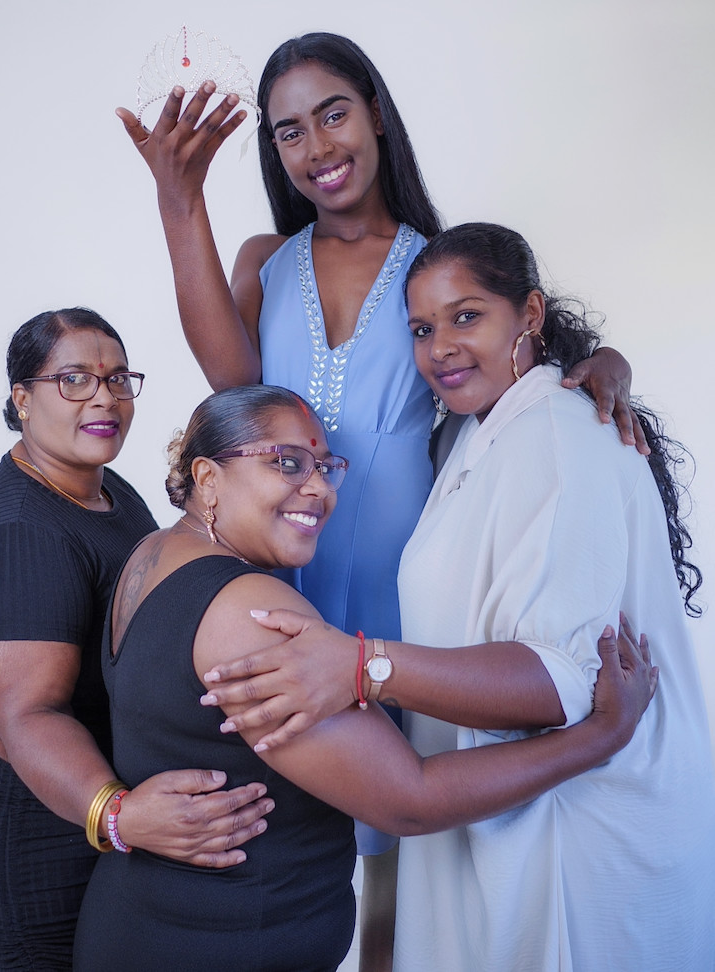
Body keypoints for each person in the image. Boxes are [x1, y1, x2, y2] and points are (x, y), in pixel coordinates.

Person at [117, 33, 647, 967]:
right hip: (283, 587)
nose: (317, 148)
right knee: (288, 825)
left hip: (406, 598)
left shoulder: (431, 261)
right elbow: (231, 381)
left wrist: (605, 363)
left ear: (374, 113)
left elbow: (515, 353)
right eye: (288, 133)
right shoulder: (263, 258)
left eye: (333, 114)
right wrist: (180, 200)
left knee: (409, 838)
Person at [199, 225, 715, 971]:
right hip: (494, 812)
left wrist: (361, 666)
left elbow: (563, 682)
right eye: (421, 328)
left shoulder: (561, 439)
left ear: (529, 315)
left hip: (581, 837)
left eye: (466, 316)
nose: (440, 346)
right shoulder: (472, 435)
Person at [71, 383, 655, 972]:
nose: (319, 488)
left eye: (326, 468)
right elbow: (409, 800)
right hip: (212, 942)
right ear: (208, 477)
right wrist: (599, 735)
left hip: (143, 923)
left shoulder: (152, 555)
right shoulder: (253, 611)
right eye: (288, 463)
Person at [0, 308, 273, 971]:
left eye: (117, 378)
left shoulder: (109, 493)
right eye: (75, 379)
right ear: (23, 399)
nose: (104, 397)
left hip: (81, 803)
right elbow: (22, 716)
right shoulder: (15, 537)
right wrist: (116, 814)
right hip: (20, 824)